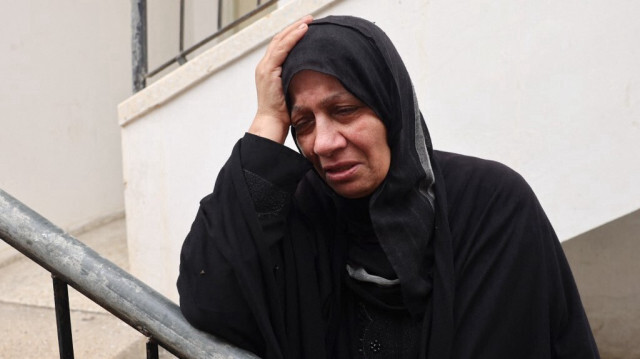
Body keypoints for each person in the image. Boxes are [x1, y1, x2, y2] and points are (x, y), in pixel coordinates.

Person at [177, 15, 600, 358]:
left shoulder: (490, 204)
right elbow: (211, 301)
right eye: (302, 123)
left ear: (390, 105)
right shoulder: (305, 214)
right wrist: (268, 121)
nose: (323, 143)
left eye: (344, 110)